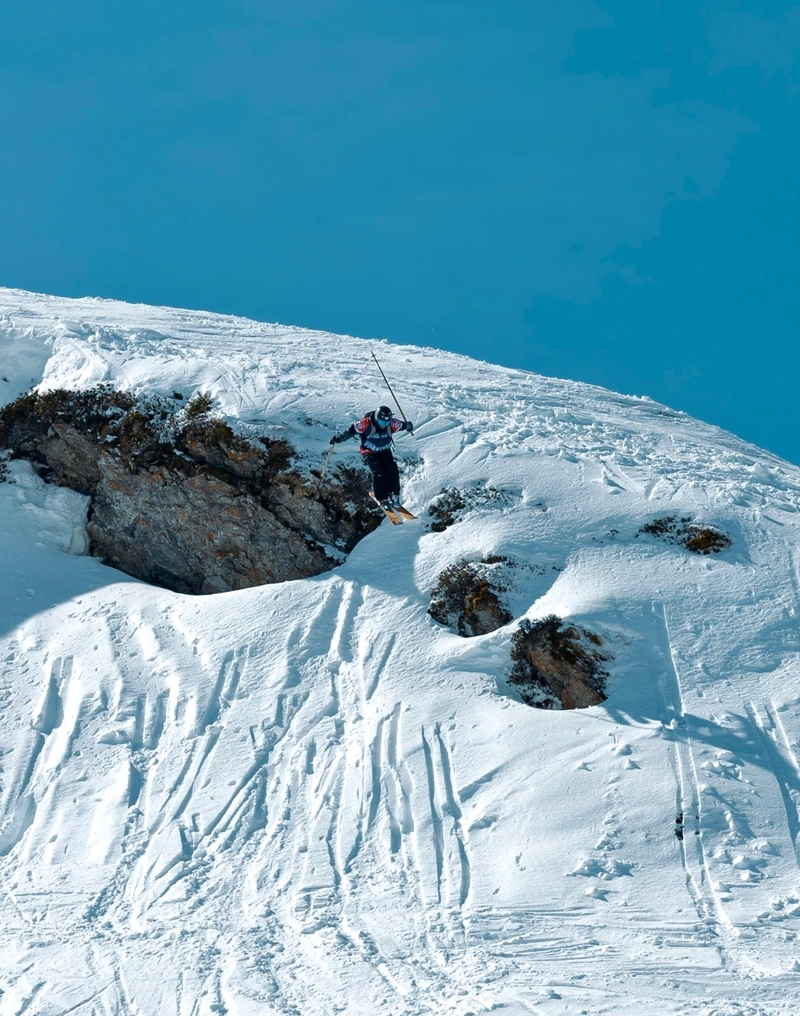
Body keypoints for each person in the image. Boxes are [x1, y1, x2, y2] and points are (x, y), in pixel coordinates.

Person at [330, 405, 414, 508]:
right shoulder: (365, 424)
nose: (384, 425)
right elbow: (350, 431)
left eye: (386, 423)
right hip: (369, 452)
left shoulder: (392, 424)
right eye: (382, 422)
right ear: (377, 418)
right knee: (379, 471)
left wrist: (409, 426)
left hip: (385, 450)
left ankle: (394, 494)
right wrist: (339, 438)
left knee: (392, 468)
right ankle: (382, 498)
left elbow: (403, 425)